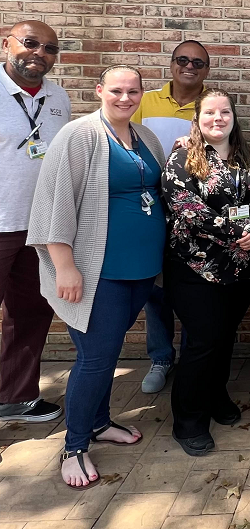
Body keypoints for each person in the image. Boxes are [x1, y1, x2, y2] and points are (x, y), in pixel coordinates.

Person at [27, 65, 166, 489]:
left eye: (133, 91)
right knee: (95, 359)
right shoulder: (80, 134)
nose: (125, 97)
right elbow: (53, 200)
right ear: (99, 90)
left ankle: (101, 423)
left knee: (108, 351)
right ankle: (73, 447)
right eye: (117, 90)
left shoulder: (145, 137)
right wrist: (64, 264)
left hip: (139, 270)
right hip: (96, 271)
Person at [162, 89, 250, 456]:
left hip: (242, 269)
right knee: (202, 340)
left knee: (224, 337)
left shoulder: (247, 161)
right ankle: (188, 420)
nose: (217, 119)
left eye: (224, 112)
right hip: (197, 269)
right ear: (197, 119)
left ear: (233, 117)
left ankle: (215, 396)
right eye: (209, 112)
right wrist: (236, 231)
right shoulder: (182, 159)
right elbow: (186, 208)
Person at [0, 21, 70, 423]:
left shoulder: (57, 95)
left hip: (39, 226)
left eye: (49, 48)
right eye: (30, 43)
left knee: (30, 313)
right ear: (7, 43)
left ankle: (15, 397)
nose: (39, 53)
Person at [131, 40, 210, 394]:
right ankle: (161, 357)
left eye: (197, 62)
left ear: (206, 70)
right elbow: (123, 141)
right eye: (182, 60)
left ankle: (197, 354)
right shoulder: (146, 102)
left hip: (193, 210)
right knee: (156, 291)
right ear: (172, 64)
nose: (189, 66)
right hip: (151, 208)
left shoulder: (210, 105)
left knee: (195, 287)